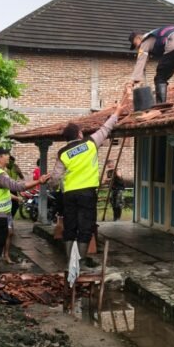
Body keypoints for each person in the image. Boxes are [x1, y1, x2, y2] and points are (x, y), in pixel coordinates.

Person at [50, 101, 125, 267]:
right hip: (87, 193)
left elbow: (55, 177)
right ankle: (81, 261)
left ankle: (70, 261)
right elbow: (106, 128)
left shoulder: (62, 153)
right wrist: (117, 112)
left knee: (70, 226)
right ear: (78, 134)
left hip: (69, 194)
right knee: (85, 226)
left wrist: (52, 187)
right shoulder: (90, 143)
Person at [0, 148, 49, 289]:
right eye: (6, 156)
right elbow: (17, 186)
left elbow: (0, 191)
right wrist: (39, 181)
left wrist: (15, 197)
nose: (8, 159)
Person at [127, 26, 174, 104]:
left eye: (135, 44)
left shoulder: (144, 41)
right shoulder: (155, 34)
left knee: (160, 77)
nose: (137, 48)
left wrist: (134, 80)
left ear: (138, 38)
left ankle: (161, 104)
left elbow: (140, 60)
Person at [3, 155, 25, 264]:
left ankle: (10, 224)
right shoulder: (3, 170)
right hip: (6, 189)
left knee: (14, 208)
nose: (10, 162)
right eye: (9, 161)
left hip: (14, 189)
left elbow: (22, 177)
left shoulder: (15, 167)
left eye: (12, 161)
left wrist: (19, 177)